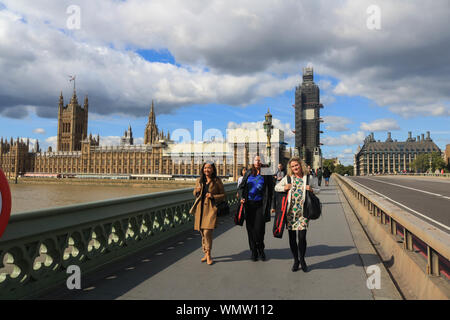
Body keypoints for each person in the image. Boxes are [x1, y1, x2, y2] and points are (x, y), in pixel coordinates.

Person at [274, 157, 320, 272]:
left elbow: (318, 189)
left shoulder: (309, 177)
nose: (295, 168)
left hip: (303, 212)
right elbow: (276, 187)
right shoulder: (288, 178)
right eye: (293, 166)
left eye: (296, 165)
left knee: (302, 237)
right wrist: (285, 187)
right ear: (290, 168)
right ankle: (296, 260)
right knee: (292, 238)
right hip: (290, 212)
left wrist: (311, 189)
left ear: (301, 165)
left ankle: (302, 259)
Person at [238, 155, 274, 261]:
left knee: (259, 229)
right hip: (249, 205)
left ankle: (261, 249)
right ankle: (254, 251)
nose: (257, 162)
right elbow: (241, 187)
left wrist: (272, 206)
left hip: (261, 205)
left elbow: (271, 190)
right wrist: (241, 197)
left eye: (259, 160)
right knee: (250, 229)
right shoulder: (248, 173)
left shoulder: (266, 173)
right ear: (253, 162)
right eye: (255, 160)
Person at [191, 161, 225, 265]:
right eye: (205, 168)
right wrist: (196, 191)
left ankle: (209, 254)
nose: (207, 170)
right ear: (203, 169)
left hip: (210, 209)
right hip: (200, 209)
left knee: (207, 232)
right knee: (202, 232)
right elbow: (194, 193)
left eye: (209, 168)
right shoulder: (199, 180)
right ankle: (205, 252)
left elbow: (223, 195)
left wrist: (213, 196)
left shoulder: (217, 181)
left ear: (213, 169)